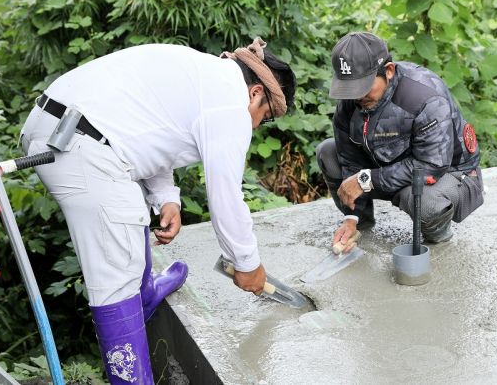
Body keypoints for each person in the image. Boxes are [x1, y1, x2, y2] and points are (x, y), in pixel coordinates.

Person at [19, 37, 296, 384]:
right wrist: (247, 264)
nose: (256, 126)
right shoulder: (230, 104)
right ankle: (132, 376)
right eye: (264, 117)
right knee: (116, 273)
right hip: (77, 144)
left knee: (127, 211)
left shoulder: (205, 75)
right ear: (256, 93)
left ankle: (145, 296)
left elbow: (146, 132)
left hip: (61, 125)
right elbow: (225, 196)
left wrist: (166, 197)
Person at [316, 31, 483, 254]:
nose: (357, 97)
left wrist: (366, 180)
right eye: (350, 89)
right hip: (388, 166)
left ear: (389, 71)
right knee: (328, 152)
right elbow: (349, 159)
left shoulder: (425, 96)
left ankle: (438, 235)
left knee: (422, 201)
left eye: (363, 87)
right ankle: (361, 224)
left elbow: (430, 166)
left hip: (449, 173)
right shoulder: (353, 100)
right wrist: (351, 217)